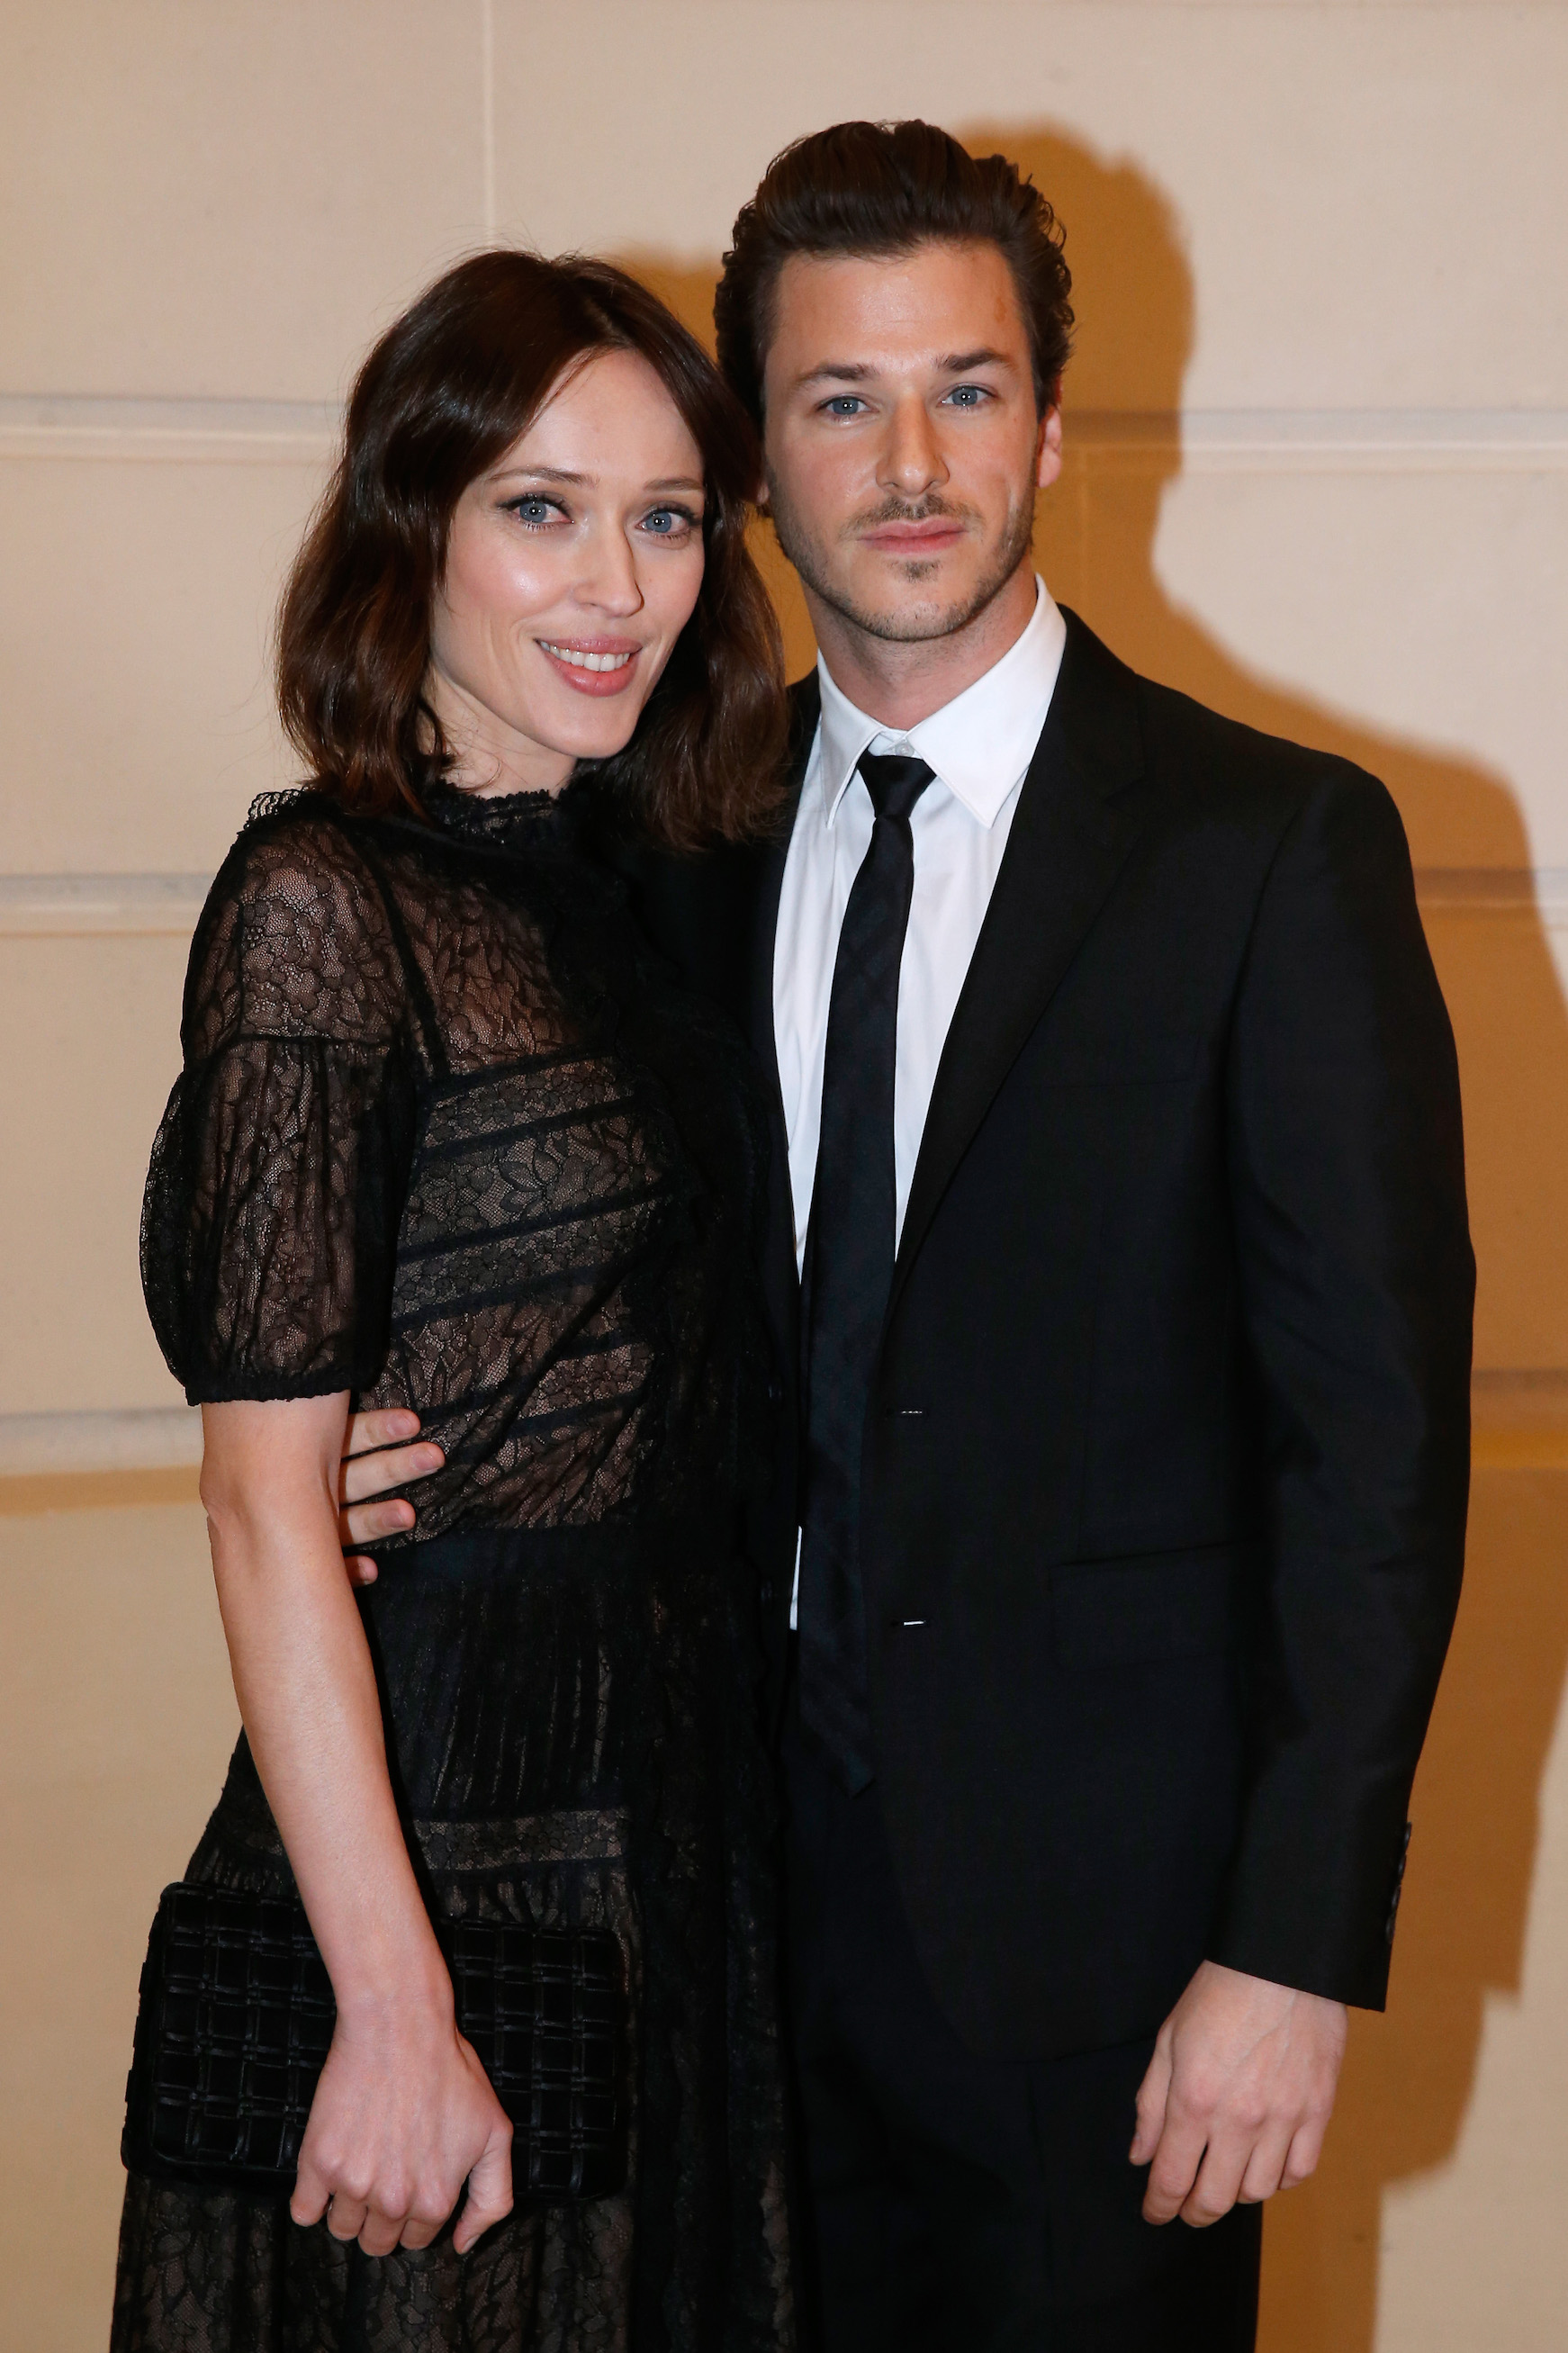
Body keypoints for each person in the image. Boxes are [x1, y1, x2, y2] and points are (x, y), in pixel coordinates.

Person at [346, 122, 1475, 2351]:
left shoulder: (1273, 853)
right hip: (705, 1906)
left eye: (965, 387)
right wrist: (390, 1434)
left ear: (1052, 419)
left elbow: (1376, 1458)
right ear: (755, 457)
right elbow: (542, 1254)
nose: (913, 461)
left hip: (1112, 1969)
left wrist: (1290, 1945)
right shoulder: (664, 847)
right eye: (838, 399)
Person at [113, 249, 797, 2353]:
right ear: (410, 526)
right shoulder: (324, 900)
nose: (620, 581)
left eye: (668, 515)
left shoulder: (651, 877)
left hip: (678, 1804)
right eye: (541, 507)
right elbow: (258, 1497)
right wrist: (394, 2011)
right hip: (451, 1829)